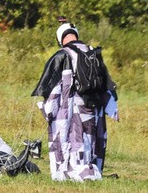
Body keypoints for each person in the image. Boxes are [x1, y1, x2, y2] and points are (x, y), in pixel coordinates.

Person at [32, 20, 118, 181]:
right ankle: (92, 169)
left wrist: (46, 107)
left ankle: (67, 171)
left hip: (72, 111)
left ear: (60, 38)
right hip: (94, 112)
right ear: (76, 34)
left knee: (72, 139)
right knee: (89, 141)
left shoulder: (62, 54)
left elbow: (48, 90)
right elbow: (109, 89)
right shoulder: (93, 54)